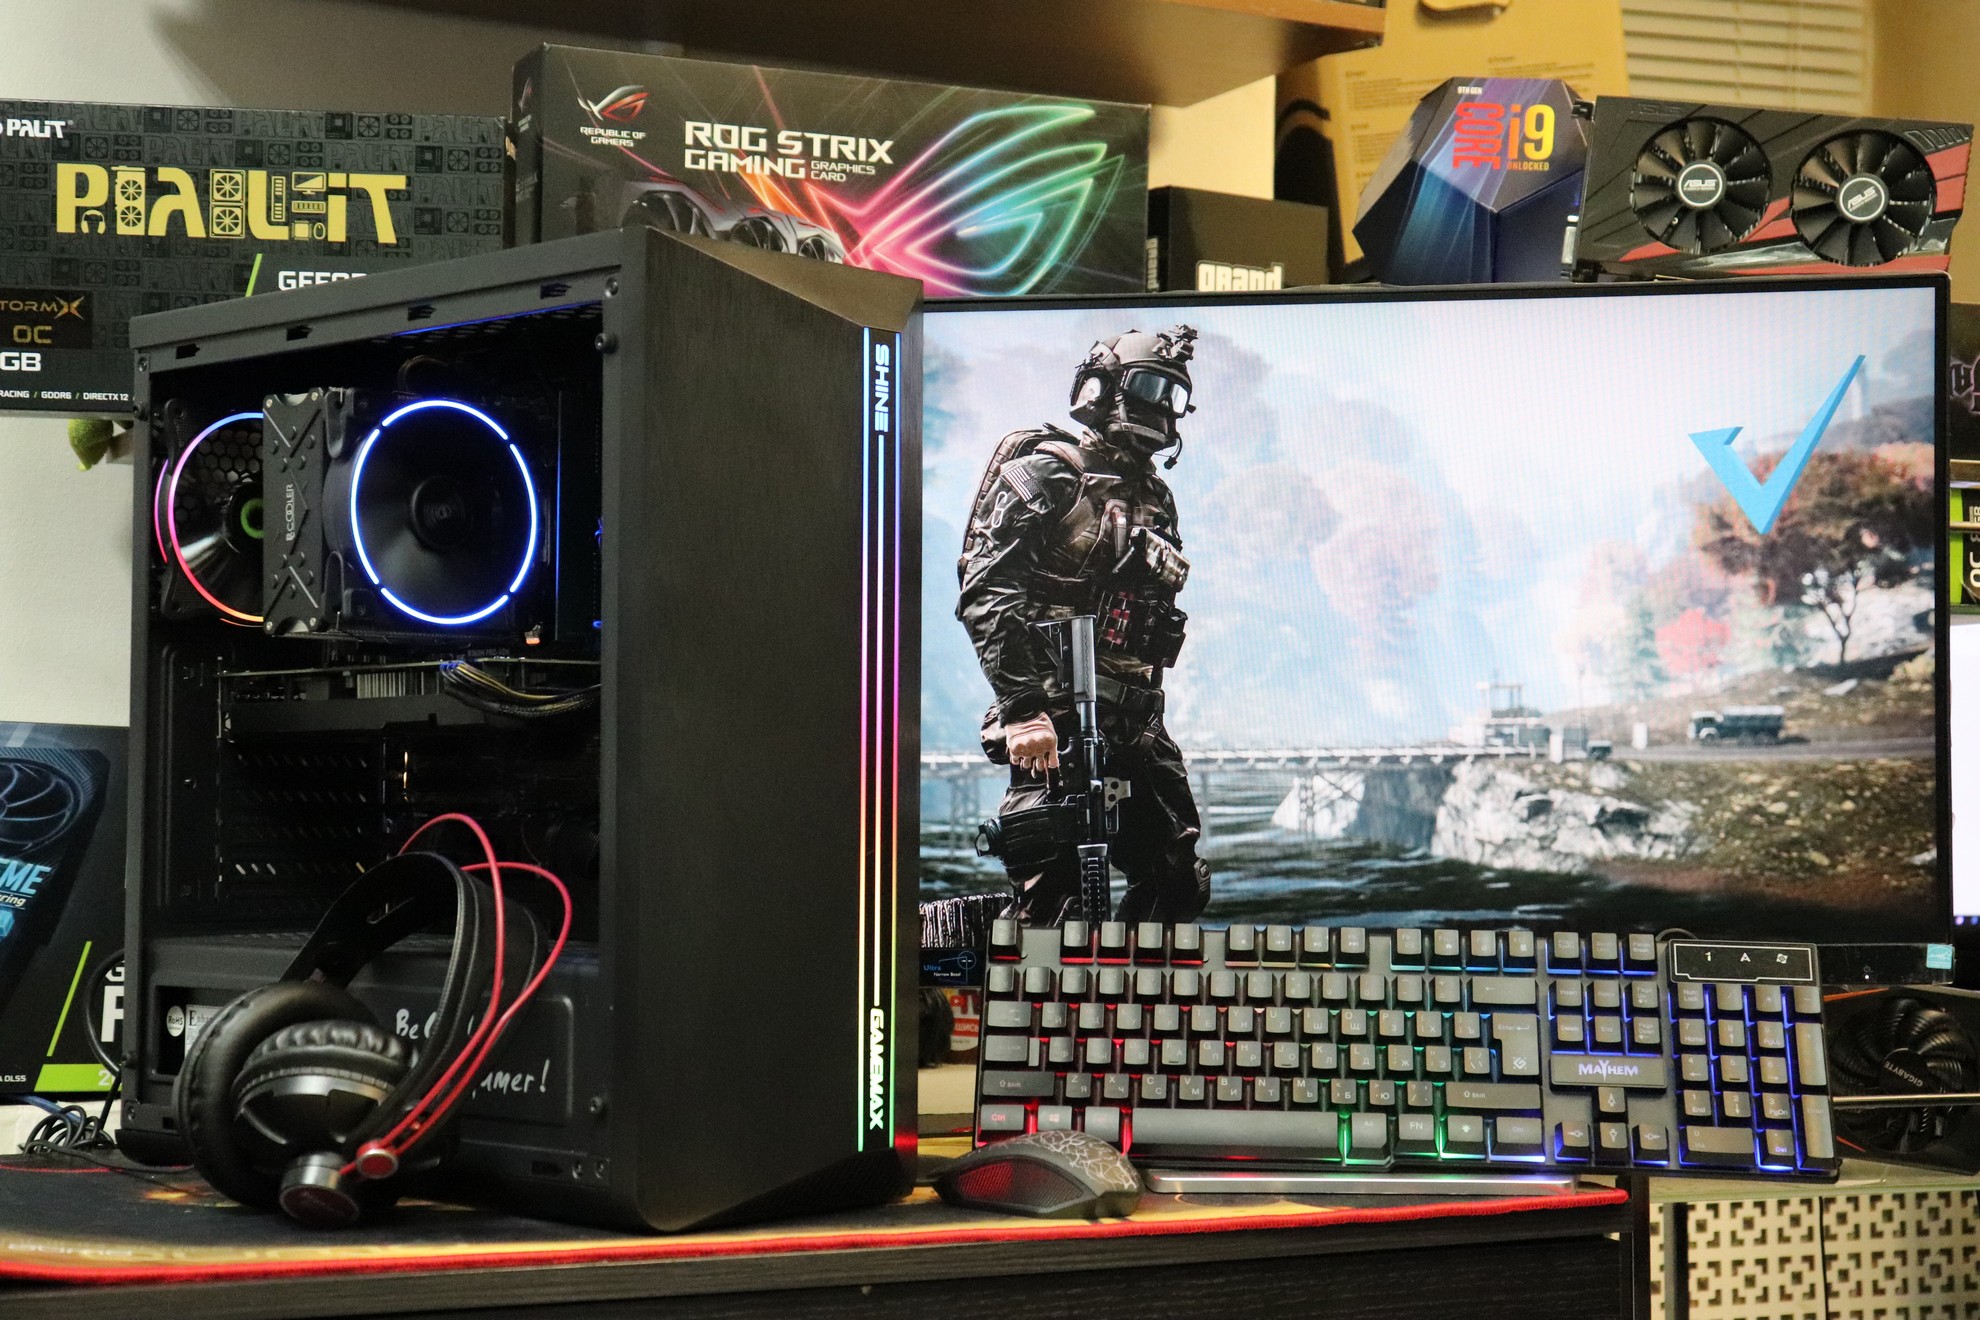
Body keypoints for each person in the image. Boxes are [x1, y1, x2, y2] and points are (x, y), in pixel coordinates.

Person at [957, 325, 1211, 925]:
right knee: (1055, 910)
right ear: (1101, 388)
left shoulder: (1155, 496)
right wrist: (1023, 710)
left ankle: (1133, 986)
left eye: (1171, 395)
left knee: (1177, 883)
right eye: (1148, 387)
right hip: (1057, 718)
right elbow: (987, 592)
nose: (1159, 407)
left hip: (1136, 717)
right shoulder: (1048, 473)